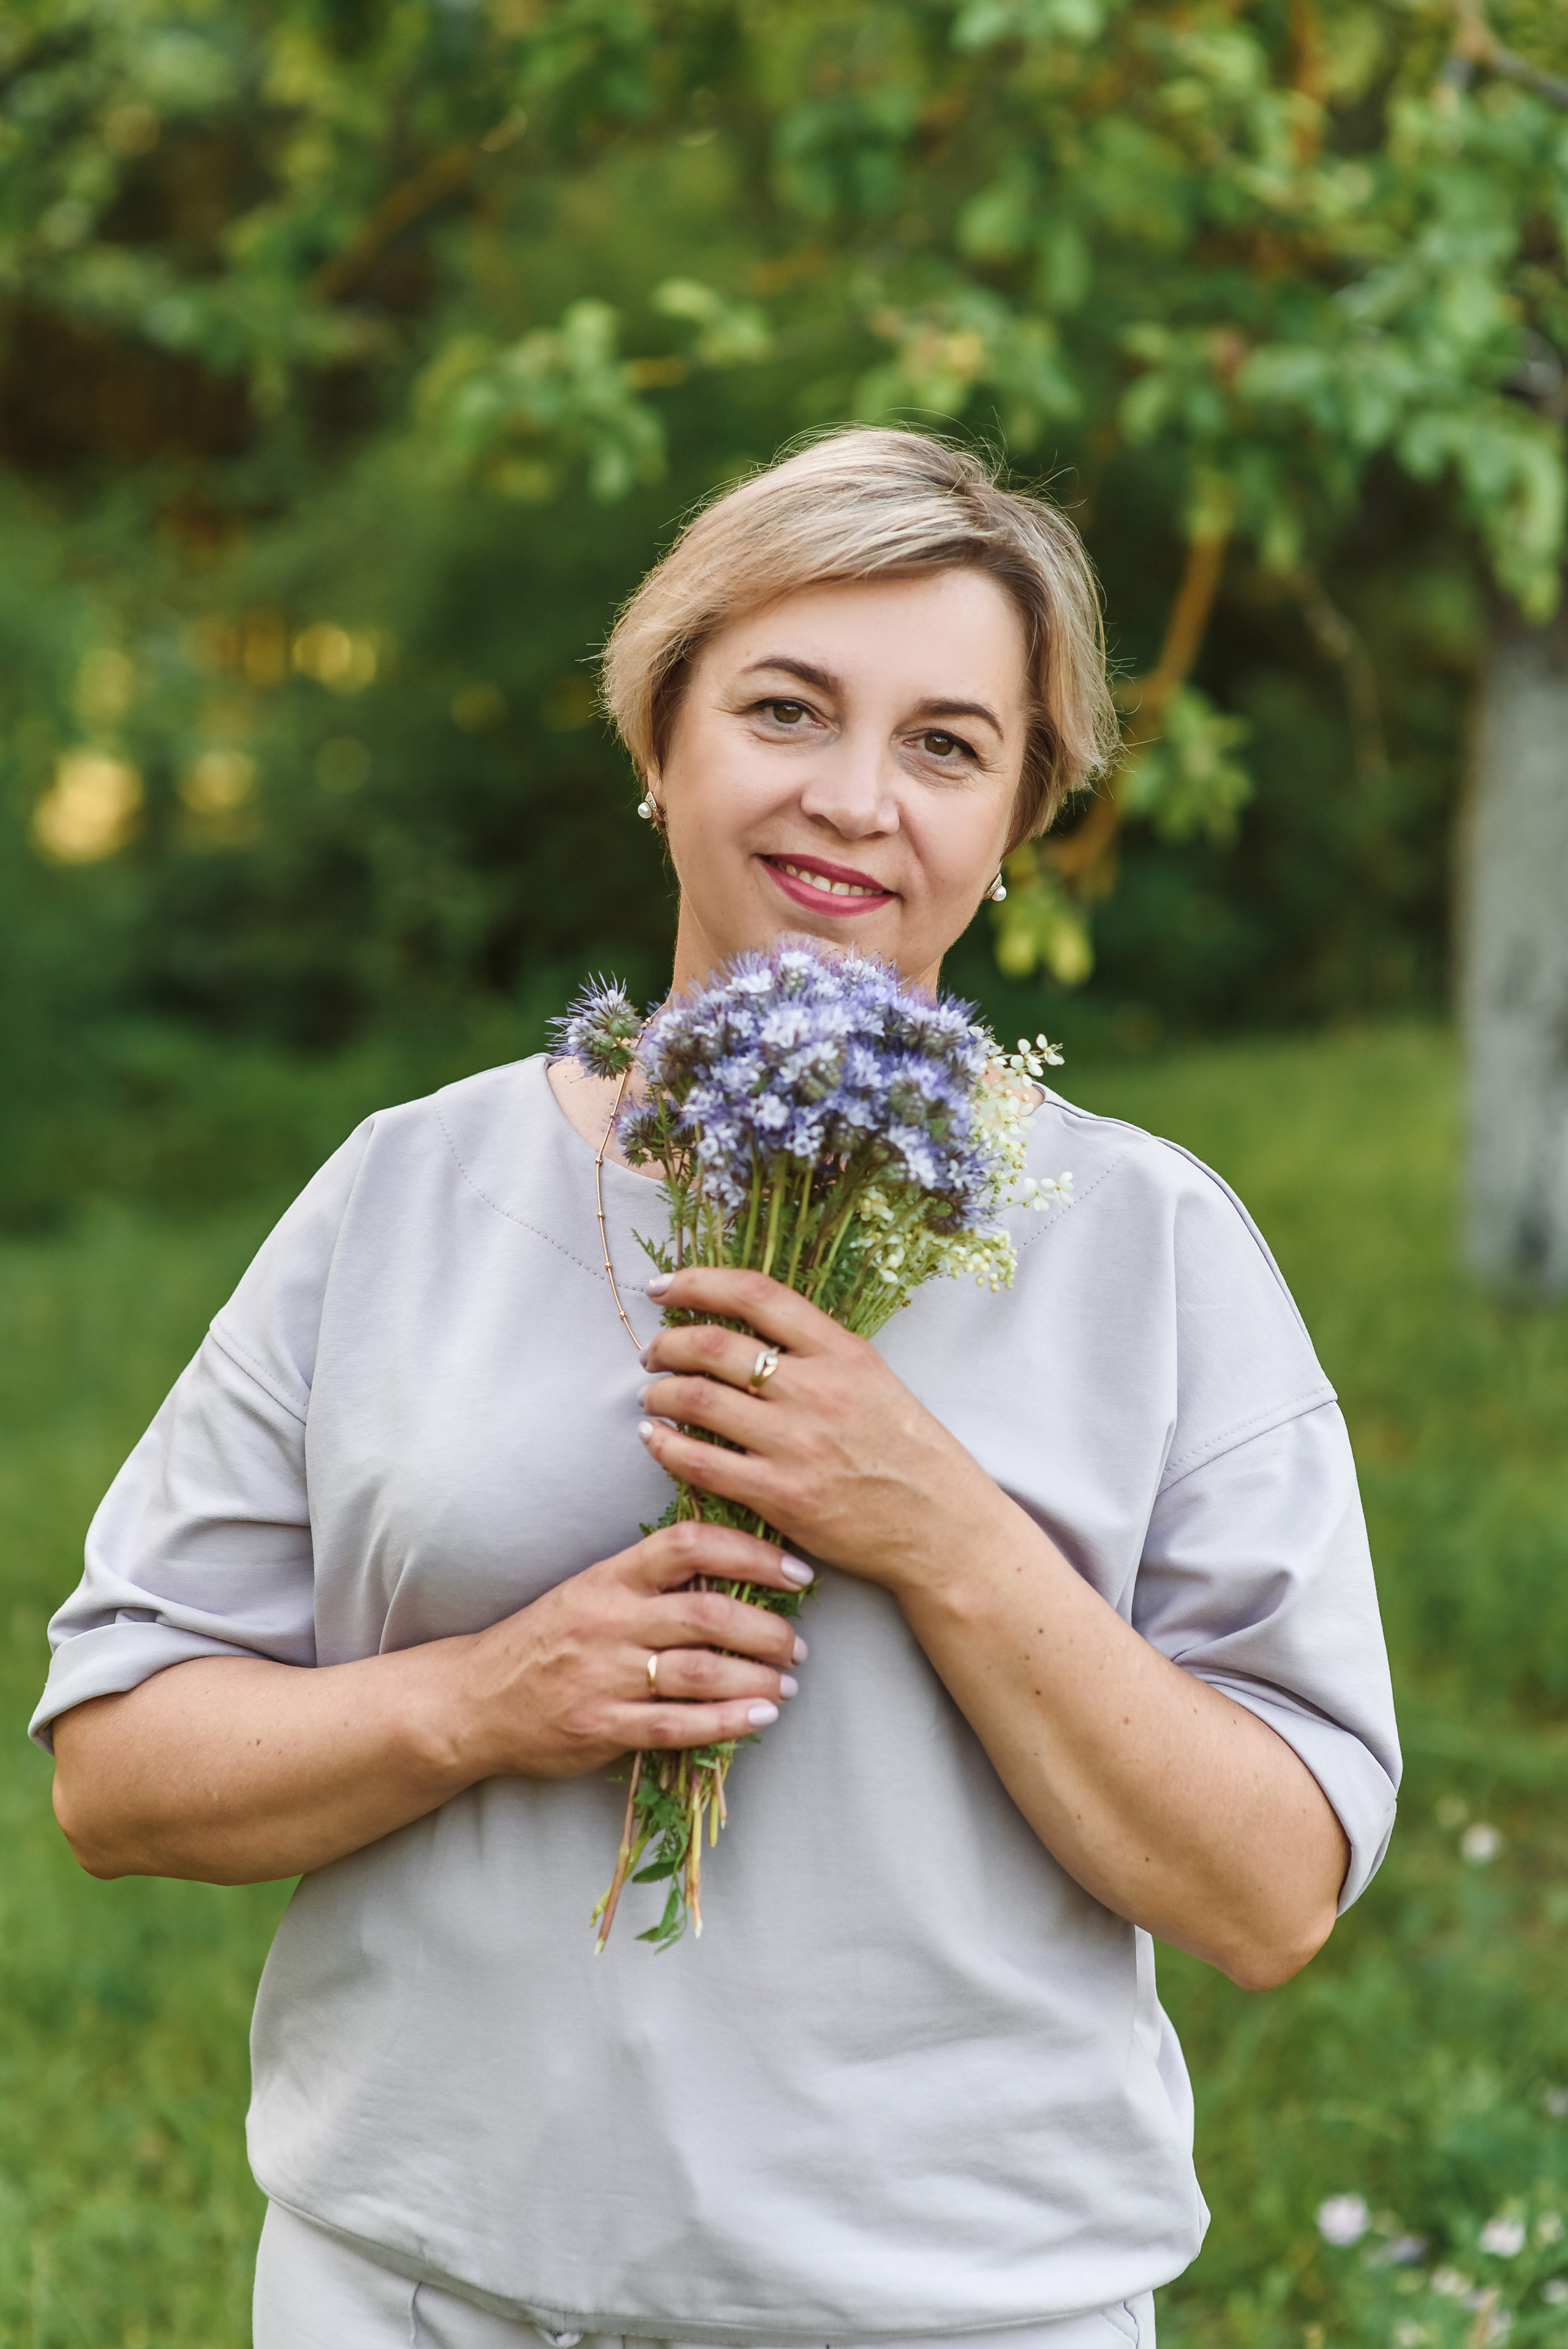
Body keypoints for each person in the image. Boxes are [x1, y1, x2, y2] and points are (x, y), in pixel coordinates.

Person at [34, 429, 1400, 2349]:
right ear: (657, 734)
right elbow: (114, 1767)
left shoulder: (1152, 1247)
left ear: (1023, 815)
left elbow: (1270, 1895)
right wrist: (488, 1699)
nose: (855, 801)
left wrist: (933, 1522)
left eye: (946, 744)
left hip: (947, 2309)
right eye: (784, 707)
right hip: (413, 2289)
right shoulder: (404, 1191)